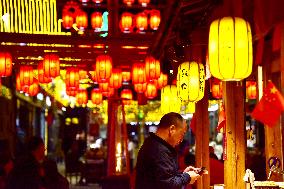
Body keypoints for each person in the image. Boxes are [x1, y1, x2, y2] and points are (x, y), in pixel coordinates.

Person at [135, 112, 201, 189]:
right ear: (172, 129)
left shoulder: (153, 143)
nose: (181, 140)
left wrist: (183, 174)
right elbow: (168, 185)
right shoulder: (158, 149)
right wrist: (187, 176)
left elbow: (163, 177)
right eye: (182, 134)